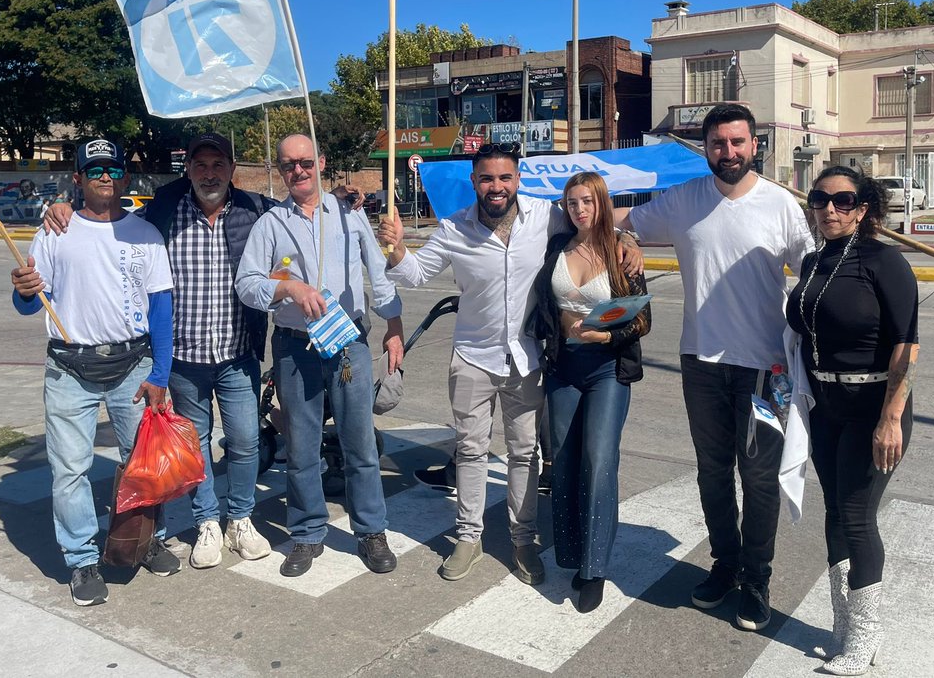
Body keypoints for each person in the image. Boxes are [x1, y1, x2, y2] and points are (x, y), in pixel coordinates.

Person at [378, 141, 642, 585]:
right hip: (472, 357)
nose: (496, 186)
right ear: (474, 182)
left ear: (517, 179)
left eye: (504, 178)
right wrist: (397, 250)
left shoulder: (545, 216)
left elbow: (591, 223)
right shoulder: (454, 228)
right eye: (486, 178)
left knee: (525, 454)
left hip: (527, 358)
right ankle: (468, 537)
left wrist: (626, 239)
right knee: (470, 450)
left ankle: (524, 539)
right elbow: (417, 274)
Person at [613, 103, 814, 631]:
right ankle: (725, 566)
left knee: (760, 477)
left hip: (768, 369)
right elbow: (626, 222)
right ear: (706, 148)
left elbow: (815, 273)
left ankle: (757, 579)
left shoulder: (781, 205)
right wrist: (629, 239)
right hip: (699, 363)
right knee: (713, 473)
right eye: (718, 143)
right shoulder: (683, 201)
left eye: (737, 142)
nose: (728, 152)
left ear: (755, 146)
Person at [44, 133, 278, 569]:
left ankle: (240, 518)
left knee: (246, 442)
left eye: (218, 164)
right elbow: (110, 224)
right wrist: (62, 208)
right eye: (200, 164)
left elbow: (300, 213)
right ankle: (208, 520)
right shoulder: (164, 211)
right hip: (187, 358)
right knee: (196, 444)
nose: (210, 173)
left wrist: (340, 200)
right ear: (187, 169)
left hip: (238, 352)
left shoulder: (256, 211)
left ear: (232, 169)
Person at [10, 139, 181, 607]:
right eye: (95, 169)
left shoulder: (145, 235)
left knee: (141, 463)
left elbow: (161, 307)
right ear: (79, 179)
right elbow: (28, 301)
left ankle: (146, 540)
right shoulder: (54, 232)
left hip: (132, 365)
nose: (105, 175)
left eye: (113, 168)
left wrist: (161, 374)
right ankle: (82, 558)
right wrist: (23, 290)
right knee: (70, 471)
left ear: (124, 178)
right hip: (69, 367)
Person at [236, 134, 404, 578]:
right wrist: (287, 288)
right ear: (280, 169)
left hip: (347, 342)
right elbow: (247, 284)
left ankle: (371, 530)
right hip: (296, 347)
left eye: (306, 162)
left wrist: (394, 324)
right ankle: (308, 533)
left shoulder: (349, 216)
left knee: (359, 442)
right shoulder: (271, 225)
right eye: (289, 164)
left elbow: (378, 272)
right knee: (301, 445)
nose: (298, 171)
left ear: (322, 162)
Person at [785, 166, 917, 674]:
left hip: (874, 407)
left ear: (864, 209)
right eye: (821, 199)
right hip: (826, 407)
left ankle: (866, 636)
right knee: (836, 514)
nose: (830, 210)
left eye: (844, 201)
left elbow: (907, 342)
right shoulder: (814, 260)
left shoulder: (884, 261)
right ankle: (842, 625)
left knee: (858, 518)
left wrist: (891, 417)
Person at [527, 172, 651, 613]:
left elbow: (641, 321)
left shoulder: (621, 255)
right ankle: (573, 553)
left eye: (587, 202)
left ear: (601, 204)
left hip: (606, 370)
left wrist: (606, 339)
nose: (579, 210)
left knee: (599, 462)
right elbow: (544, 303)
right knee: (561, 460)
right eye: (572, 203)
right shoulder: (557, 248)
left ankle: (594, 569)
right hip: (563, 369)